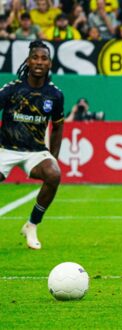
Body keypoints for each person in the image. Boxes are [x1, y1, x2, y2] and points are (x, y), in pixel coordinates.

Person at [0, 40, 64, 250]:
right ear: (28, 61)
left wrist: (52, 156)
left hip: (35, 152)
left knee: (54, 174)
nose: (39, 62)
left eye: (43, 58)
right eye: (35, 57)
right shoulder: (12, 89)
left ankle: (32, 225)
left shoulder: (55, 95)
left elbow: (58, 127)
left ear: (50, 64)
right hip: (6, 149)